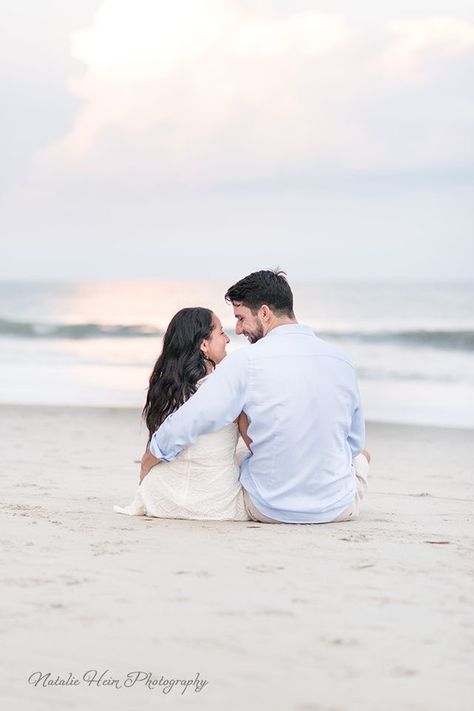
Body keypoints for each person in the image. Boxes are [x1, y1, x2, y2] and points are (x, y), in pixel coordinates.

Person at [141, 270, 370, 524]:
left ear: (264, 313)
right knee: (361, 456)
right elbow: (354, 442)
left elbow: (194, 418)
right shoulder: (341, 362)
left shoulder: (245, 362)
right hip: (336, 508)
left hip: (269, 508)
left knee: (245, 452)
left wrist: (151, 456)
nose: (238, 329)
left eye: (240, 318)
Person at [114, 307, 249, 521]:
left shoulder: (167, 388)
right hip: (215, 504)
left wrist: (146, 466)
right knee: (246, 457)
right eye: (222, 333)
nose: (227, 340)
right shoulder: (226, 390)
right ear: (204, 345)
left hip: (160, 498)